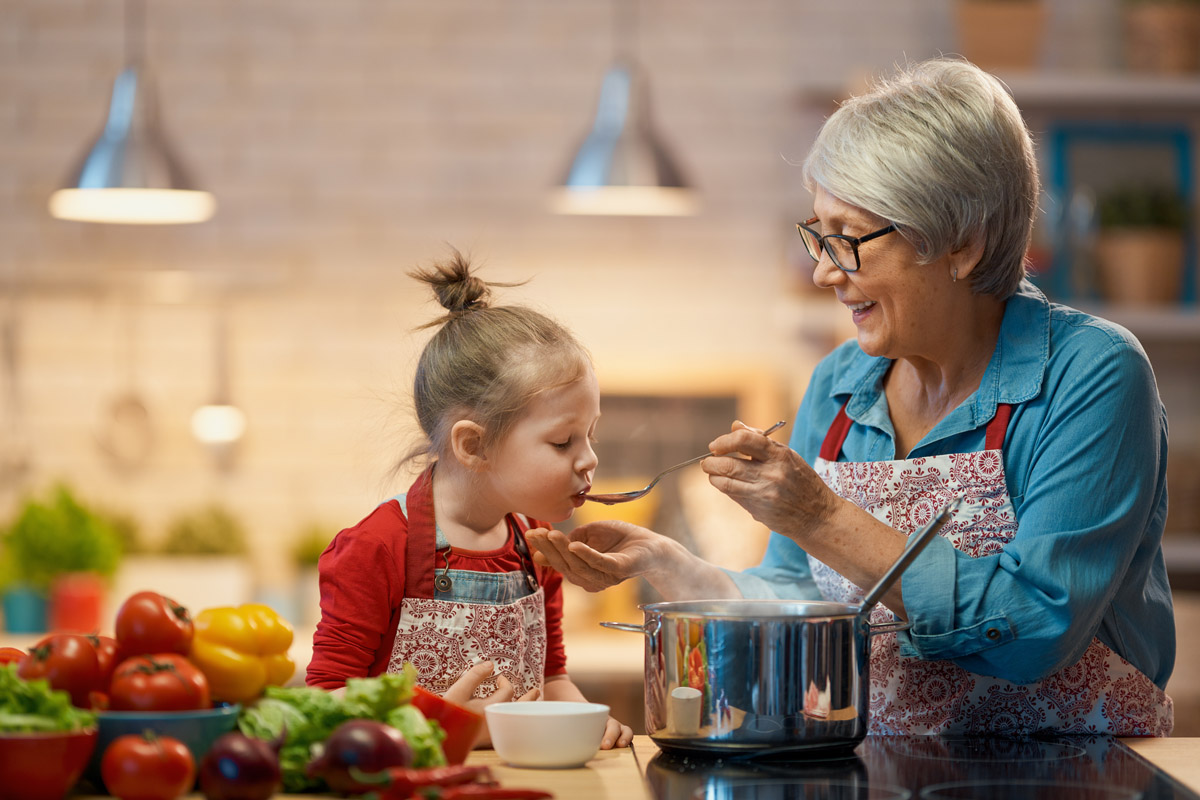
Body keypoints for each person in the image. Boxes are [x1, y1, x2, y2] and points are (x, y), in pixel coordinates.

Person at [529, 57, 1175, 737]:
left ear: (963, 242)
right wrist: (668, 564)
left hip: (1082, 777)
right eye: (818, 234)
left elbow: (1036, 629)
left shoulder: (1091, 375)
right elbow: (797, 598)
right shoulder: (840, 385)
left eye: (847, 239)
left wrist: (823, 518)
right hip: (882, 770)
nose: (821, 270)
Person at [307, 250, 634, 750]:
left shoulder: (537, 548)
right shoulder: (376, 549)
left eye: (590, 434)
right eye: (563, 441)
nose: (589, 459)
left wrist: (584, 719)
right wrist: (438, 726)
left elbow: (551, 680)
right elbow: (326, 708)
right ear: (474, 445)